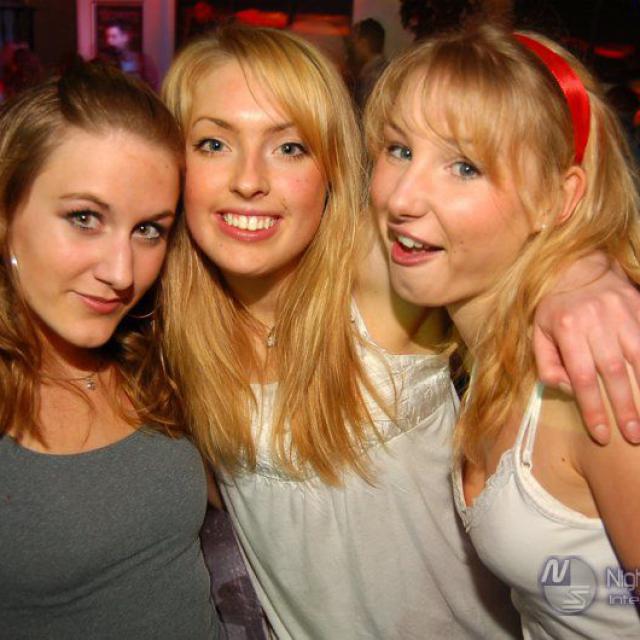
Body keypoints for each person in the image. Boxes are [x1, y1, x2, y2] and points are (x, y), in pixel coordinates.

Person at [161, 25, 640, 639]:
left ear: (334, 165)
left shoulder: (377, 275)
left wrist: (584, 272)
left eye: (290, 147)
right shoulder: (169, 324)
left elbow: (487, 238)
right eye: (212, 143)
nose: (248, 179)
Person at [368, 22, 640, 638]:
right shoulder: (484, 336)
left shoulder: (600, 373)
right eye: (399, 150)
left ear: (556, 199)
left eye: (464, 167)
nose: (403, 197)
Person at [0, 62, 220, 639]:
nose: (122, 273)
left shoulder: (152, 355)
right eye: (85, 218)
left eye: (149, 230)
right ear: (6, 213)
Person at [103, 19, 159, 91]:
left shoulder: (143, 61)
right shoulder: (106, 62)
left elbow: (153, 86)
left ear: (125, 37)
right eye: (108, 37)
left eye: (113, 37)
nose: (109, 41)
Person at [350, 18, 387, 110]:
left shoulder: (370, 78)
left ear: (363, 43)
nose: (353, 48)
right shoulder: (389, 71)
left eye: (354, 42)